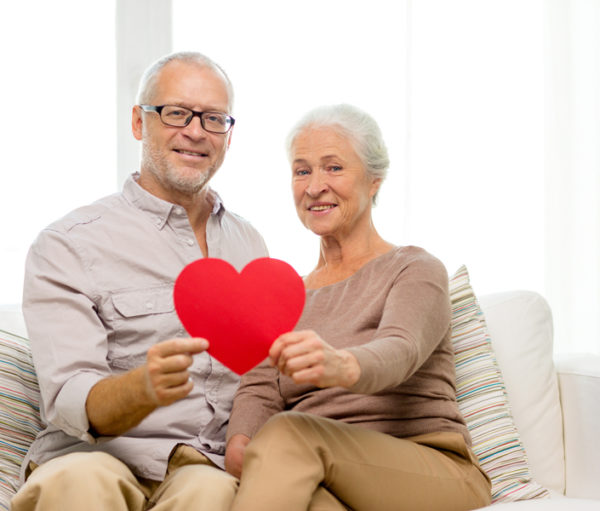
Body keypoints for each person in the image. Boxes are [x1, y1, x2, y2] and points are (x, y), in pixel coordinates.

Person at [11, 51, 268, 511]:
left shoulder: (250, 244)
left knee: (212, 494)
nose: (195, 131)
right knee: (80, 481)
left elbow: (261, 380)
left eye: (213, 119)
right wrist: (141, 389)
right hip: (98, 456)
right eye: (176, 113)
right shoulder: (67, 245)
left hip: (203, 465)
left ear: (229, 136)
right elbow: (69, 397)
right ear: (138, 122)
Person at [224, 104, 492, 511]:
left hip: (428, 465)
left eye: (333, 168)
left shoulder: (414, 268)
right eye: (302, 171)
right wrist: (240, 442)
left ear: (374, 182)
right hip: (319, 466)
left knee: (288, 432)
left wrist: (342, 366)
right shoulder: (284, 296)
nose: (314, 187)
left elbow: (401, 348)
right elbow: (260, 387)